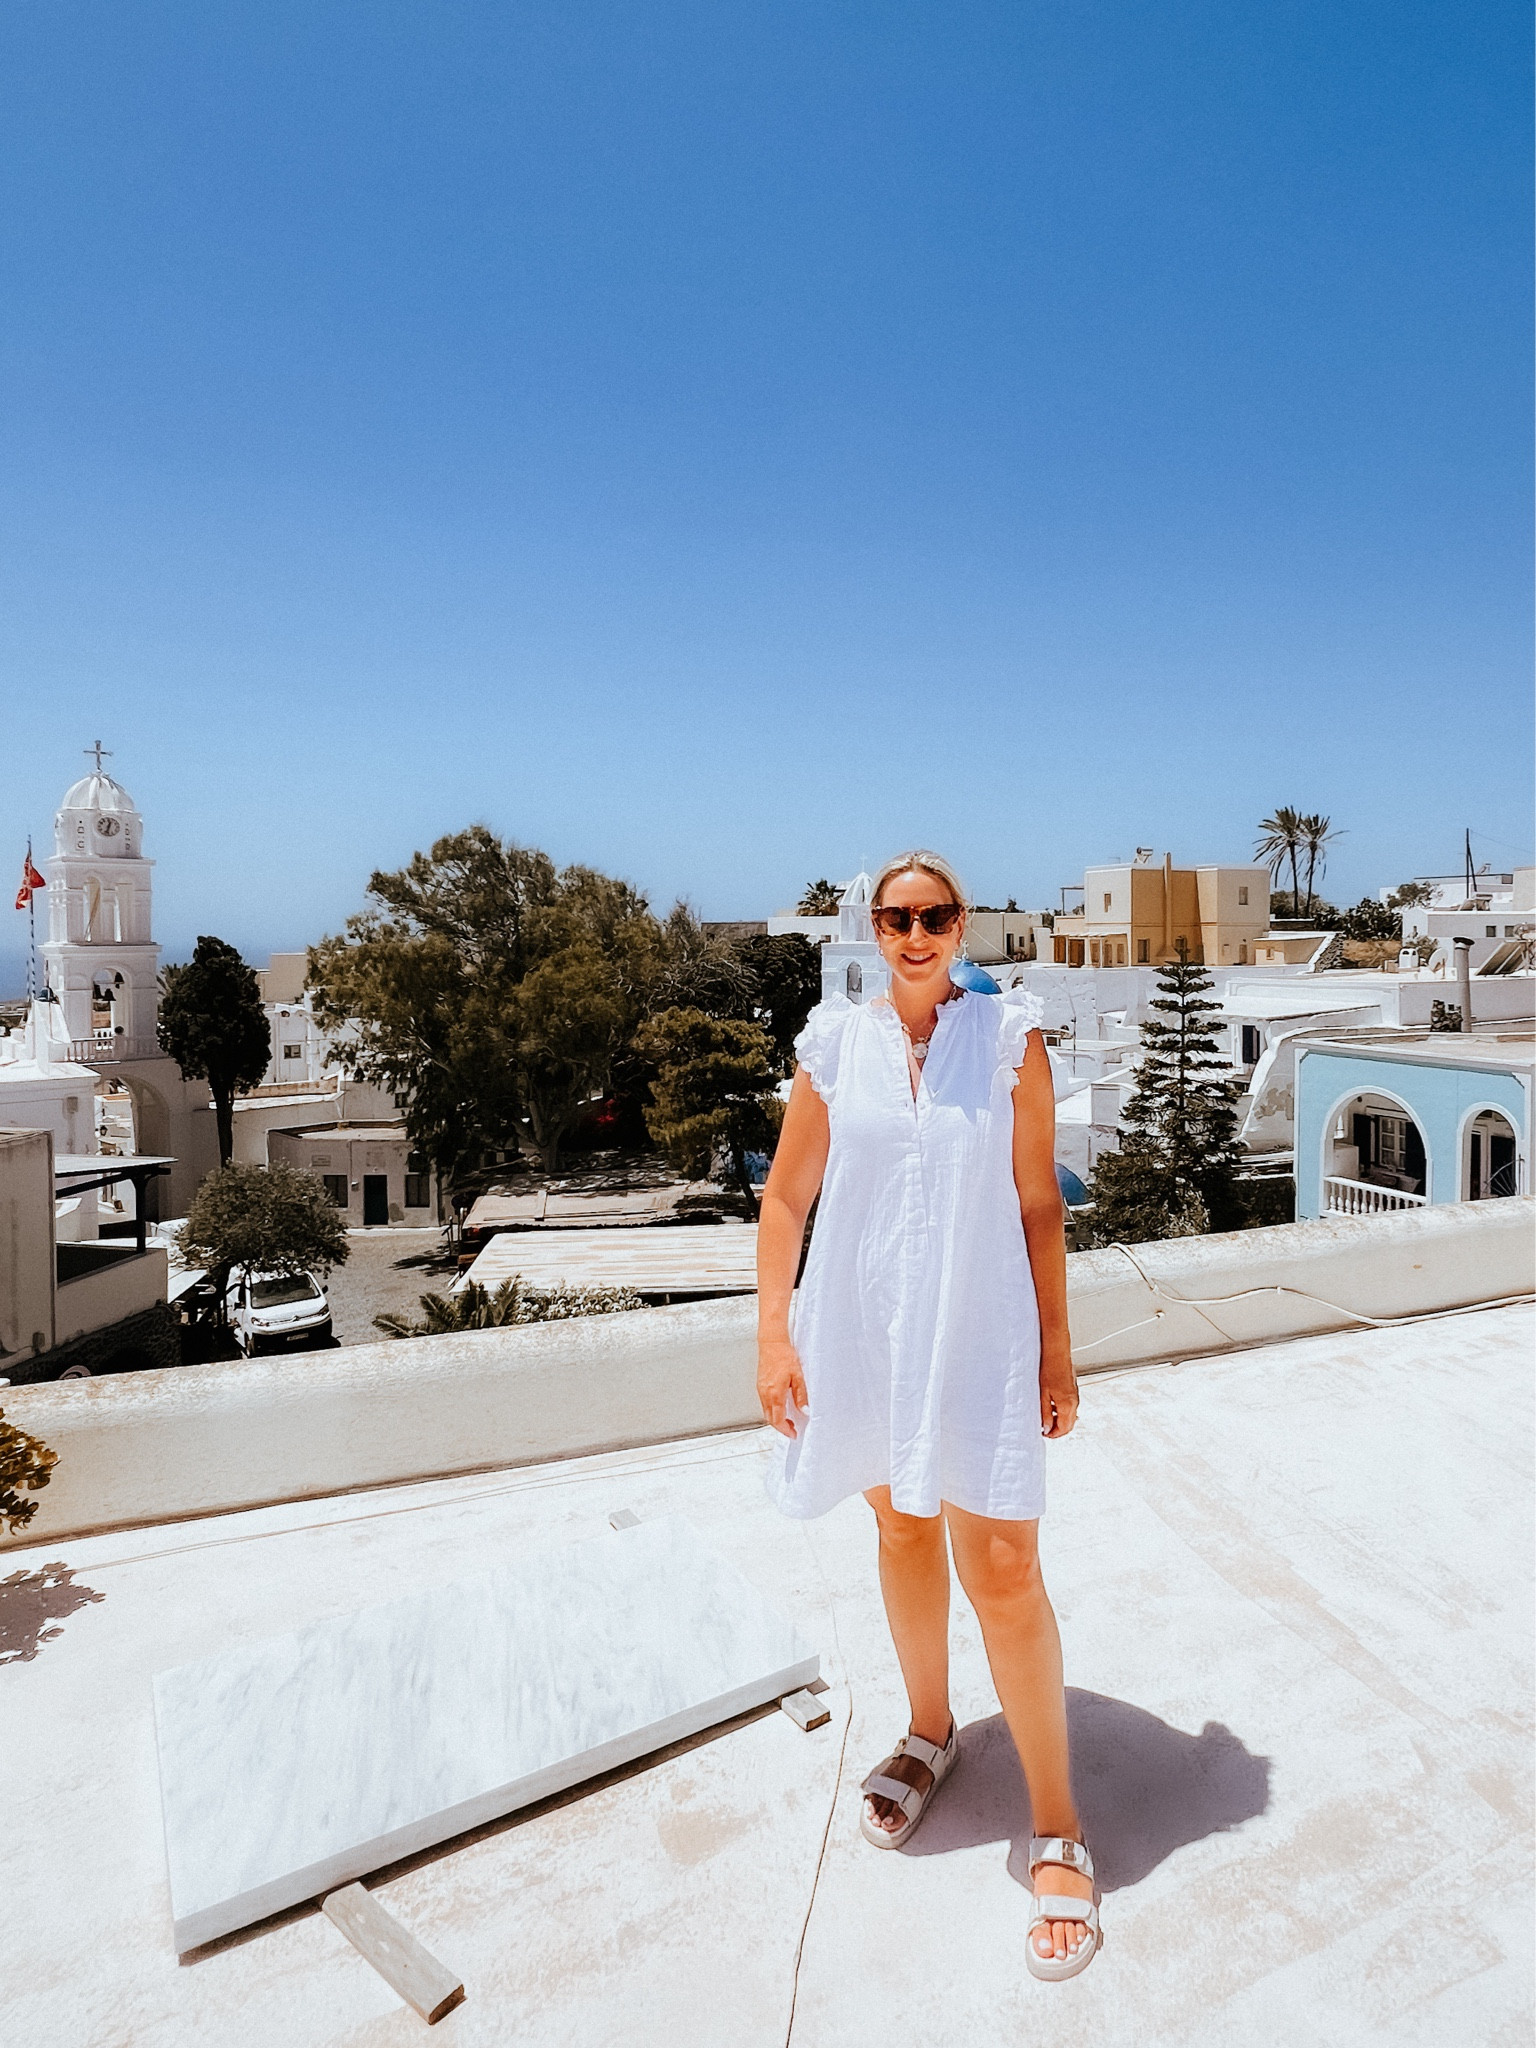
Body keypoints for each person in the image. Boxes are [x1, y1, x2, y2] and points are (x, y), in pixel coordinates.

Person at [756, 851, 1100, 1980]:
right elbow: (788, 1194)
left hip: (984, 1336)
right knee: (900, 1529)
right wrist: (773, 1332)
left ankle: (1058, 1819)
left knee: (1002, 1564)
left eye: (936, 915)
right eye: (897, 915)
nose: (916, 931)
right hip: (862, 1332)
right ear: (872, 925)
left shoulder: (1010, 1040)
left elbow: (1040, 1200)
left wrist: (1056, 1345)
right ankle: (931, 1726)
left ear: (963, 926)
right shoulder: (834, 1044)